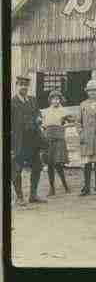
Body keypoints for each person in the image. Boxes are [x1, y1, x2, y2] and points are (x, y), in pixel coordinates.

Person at [11, 75, 47, 205]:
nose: (24, 87)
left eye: (26, 85)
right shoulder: (12, 102)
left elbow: (38, 113)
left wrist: (39, 118)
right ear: (16, 86)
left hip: (33, 141)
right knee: (16, 169)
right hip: (18, 142)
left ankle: (33, 195)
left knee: (37, 167)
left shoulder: (32, 100)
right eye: (21, 84)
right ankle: (20, 197)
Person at [77, 80, 96, 196]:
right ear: (87, 92)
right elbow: (78, 122)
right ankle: (86, 187)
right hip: (87, 137)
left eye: (94, 90)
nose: (92, 93)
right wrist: (81, 133)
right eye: (90, 91)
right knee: (87, 163)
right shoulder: (83, 105)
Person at [41, 90, 73, 196]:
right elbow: (43, 125)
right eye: (53, 99)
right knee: (50, 164)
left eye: (58, 99)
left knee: (58, 164)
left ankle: (65, 186)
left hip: (59, 139)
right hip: (48, 139)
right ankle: (52, 188)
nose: (56, 101)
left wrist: (63, 126)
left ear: (60, 100)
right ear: (50, 100)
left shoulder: (64, 111)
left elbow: (72, 122)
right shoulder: (45, 111)